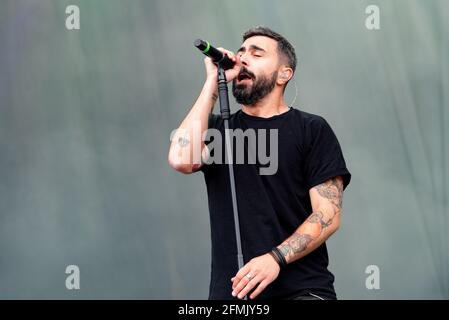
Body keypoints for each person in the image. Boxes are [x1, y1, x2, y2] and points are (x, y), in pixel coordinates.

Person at [168, 26, 351, 300]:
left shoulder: (311, 129)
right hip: (233, 294)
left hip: (302, 290)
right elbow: (180, 159)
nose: (243, 59)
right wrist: (212, 83)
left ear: (283, 74)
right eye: (241, 52)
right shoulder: (219, 130)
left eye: (257, 54)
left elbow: (328, 215)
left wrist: (275, 259)